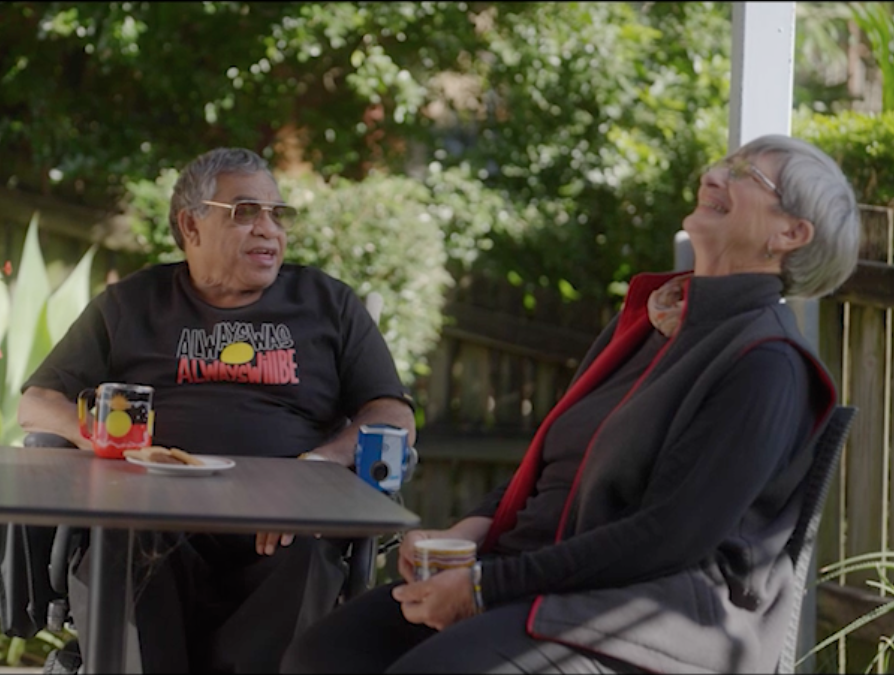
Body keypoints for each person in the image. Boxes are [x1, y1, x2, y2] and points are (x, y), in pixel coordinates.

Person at [283, 134, 861, 675]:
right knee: (325, 653)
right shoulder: (652, 321)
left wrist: (487, 587)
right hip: (543, 580)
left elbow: (667, 538)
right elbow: (556, 462)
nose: (713, 175)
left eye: (744, 174)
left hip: (651, 614)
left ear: (791, 234)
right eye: (723, 163)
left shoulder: (768, 363)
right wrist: (469, 532)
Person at [17, 147, 416, 673]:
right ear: (191, 225)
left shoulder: (327, 304)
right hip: (149, 514)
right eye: (246, 212)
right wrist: (99, 439)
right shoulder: (132, 304)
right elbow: (37, 402)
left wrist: (317, 472)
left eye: (278, 214)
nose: (269, 230)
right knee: (118, 547)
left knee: (306, 555)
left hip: (285, 522)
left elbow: (392, 414)